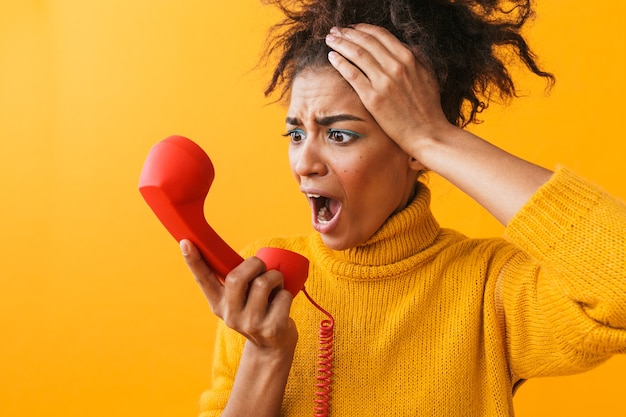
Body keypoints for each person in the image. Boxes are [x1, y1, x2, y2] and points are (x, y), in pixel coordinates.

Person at [179, 0, 626, 416]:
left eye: (339, 135)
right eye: (296, 134)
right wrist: (263, 350)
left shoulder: (490, 287)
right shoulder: (266, 284)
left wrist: (435, 137)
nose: (304, 164)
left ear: (411, 149)